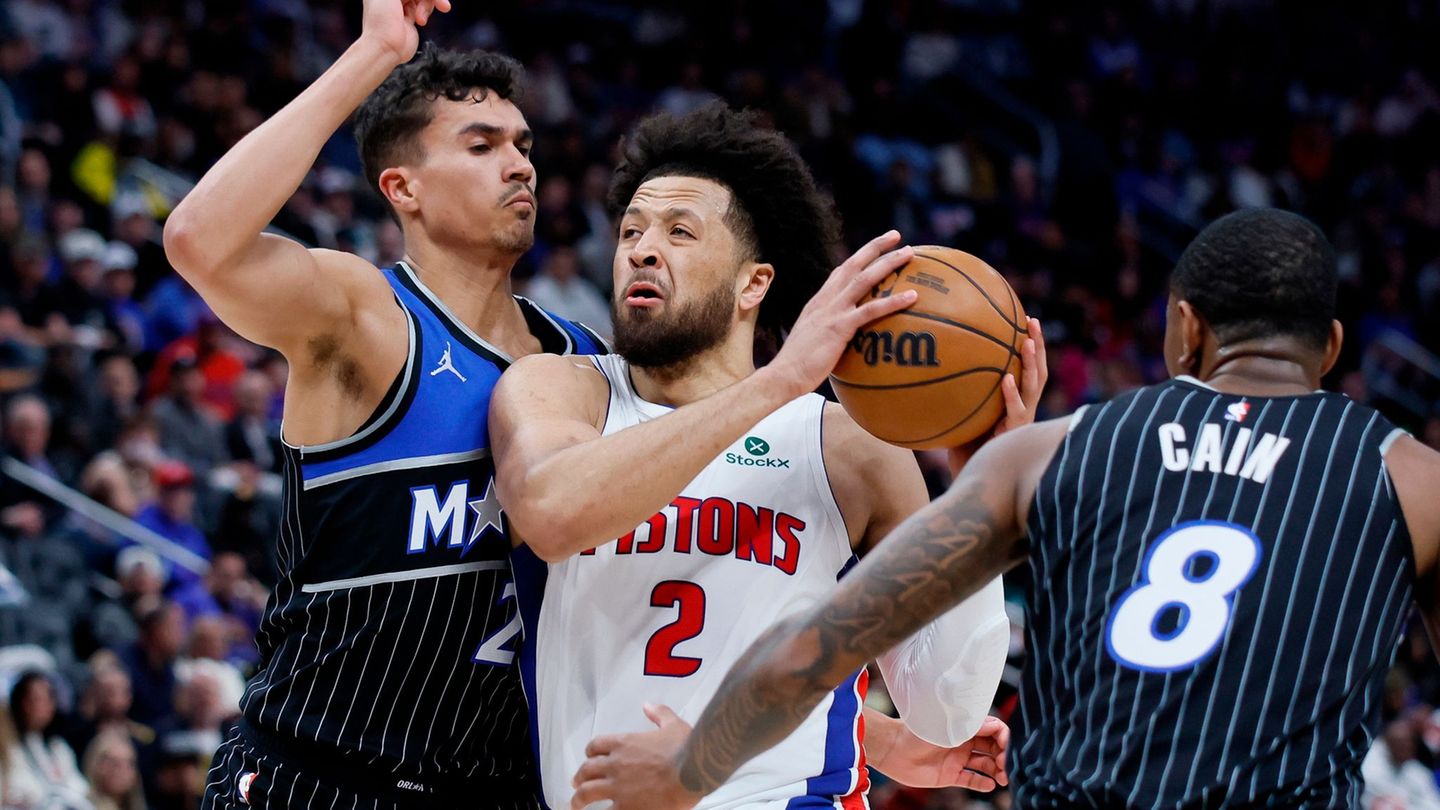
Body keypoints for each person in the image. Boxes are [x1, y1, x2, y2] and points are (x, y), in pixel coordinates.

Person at [569, 208, 1440, 809]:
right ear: (1328, 347)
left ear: (1184, 331)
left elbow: (819, 644)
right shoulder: (1413, 480)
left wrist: (687, 770)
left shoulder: (1048, 453)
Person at [489, 103, 1044, 809]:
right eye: (630, 230)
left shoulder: (848, 448)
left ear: (754, 283)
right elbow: (554, 513)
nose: (641, 249)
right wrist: (779, 381)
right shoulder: (559, 390)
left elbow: (946, 714)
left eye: (679, 232)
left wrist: (980, 490)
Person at [161, 0, 607, 807]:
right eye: (482, 145)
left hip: (500, 788)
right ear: (402, 188)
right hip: (320, 776)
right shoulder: (369, 319)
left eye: (523, 145)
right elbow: (199, 240)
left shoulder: (586, 361)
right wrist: (377, 52)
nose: (520, 165)